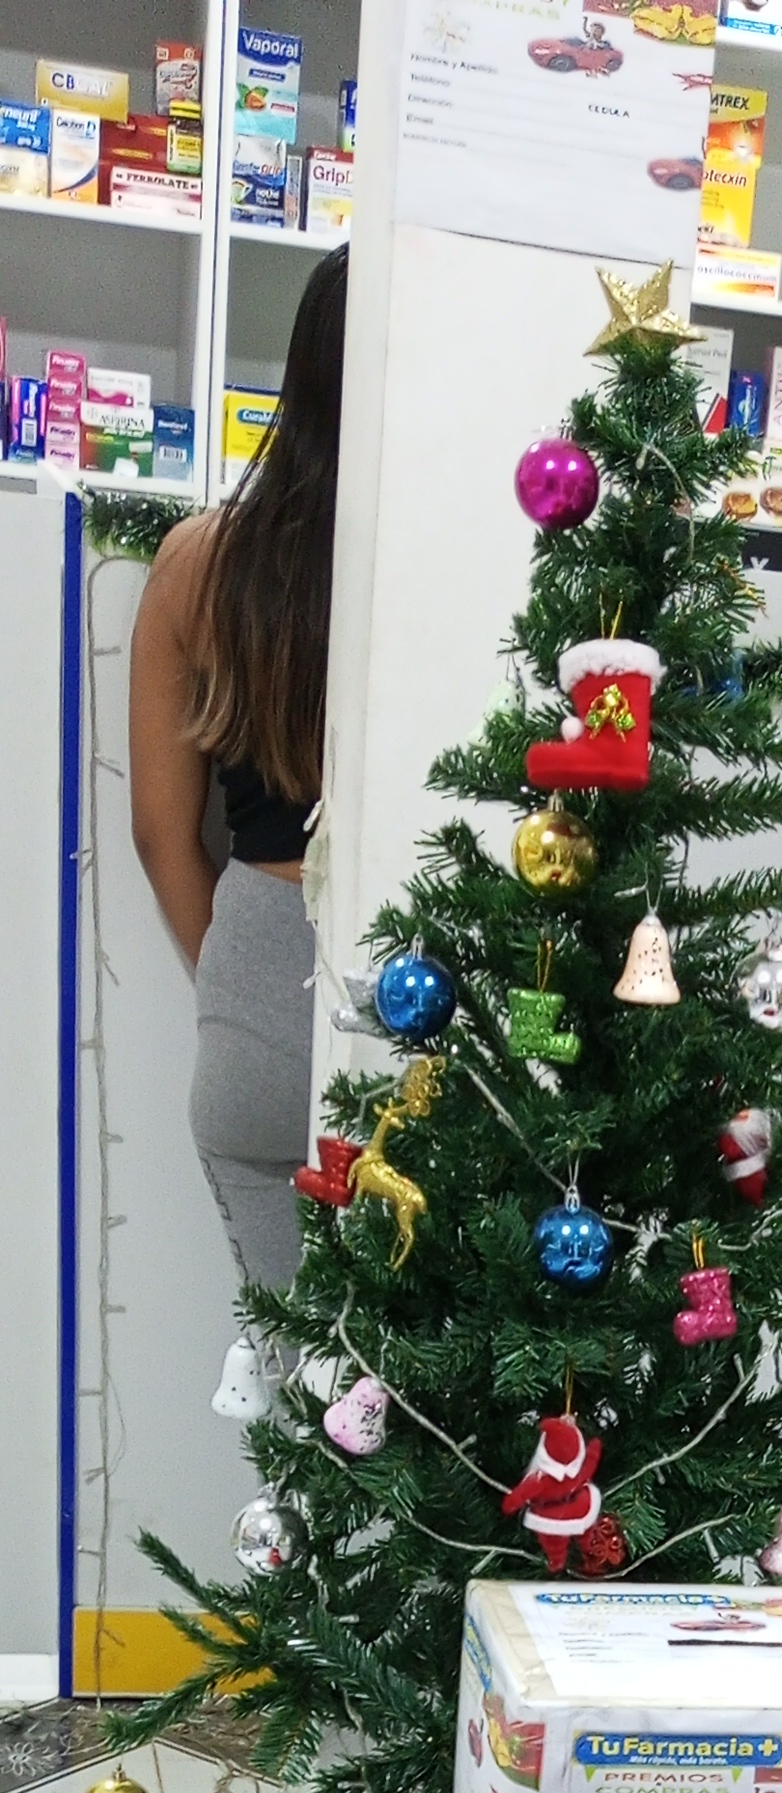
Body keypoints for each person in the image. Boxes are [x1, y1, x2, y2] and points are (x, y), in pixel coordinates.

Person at [129, 244, 346, 1295]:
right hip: (431, 986)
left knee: (300, 1377)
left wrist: (242, 987)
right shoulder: (438, 571)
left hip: (260, 972)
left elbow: (161, 834)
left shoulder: (200, 564)